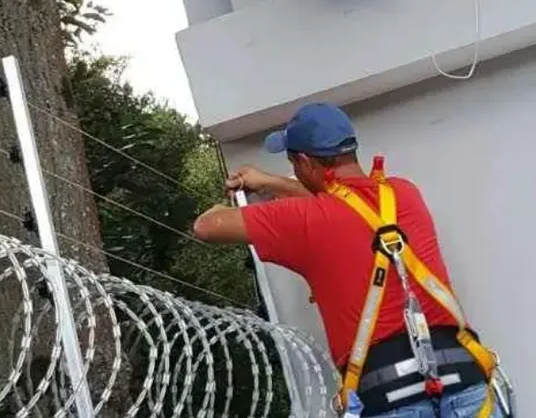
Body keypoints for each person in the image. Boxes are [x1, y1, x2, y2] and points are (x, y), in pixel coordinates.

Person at [193, 102, 504, 417]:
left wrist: (242, 194)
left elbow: (206, 226)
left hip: (389, 397)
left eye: (294, 163)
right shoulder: (405, 193)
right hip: (466, 382)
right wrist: (278, 183)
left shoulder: (303, 220)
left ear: (304, 162)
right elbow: (349, 206)